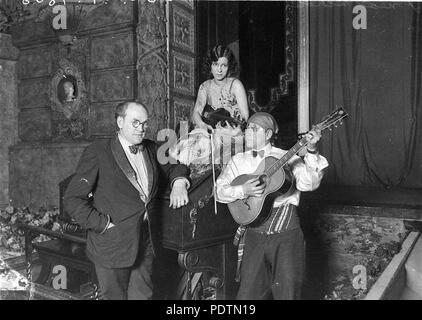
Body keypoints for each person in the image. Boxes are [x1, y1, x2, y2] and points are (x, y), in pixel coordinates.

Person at [63, 101, 191, 300]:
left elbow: (176, 165)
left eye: (145, 123)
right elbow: (72, 199)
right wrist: (103, 224)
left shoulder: (151, 148)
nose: (141, 129)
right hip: (112, 243)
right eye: (136, 123)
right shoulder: (98, 151)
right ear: (120, 121)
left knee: (144, 296)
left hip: (145, 241)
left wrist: (179, 183)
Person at [216, 112, 329, 300]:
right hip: (254, 233)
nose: (247, 132)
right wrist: (243, 190)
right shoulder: (238, 160)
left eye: (254, 129)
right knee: (247, 297)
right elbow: (219, 190)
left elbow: (309, 184)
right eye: (247, 128)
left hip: (286, 232)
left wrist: (311, 150)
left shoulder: (286, 156)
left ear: (268, 134)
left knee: (287, 294)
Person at [192, 44, 249, 133]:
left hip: (233, 131)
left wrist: (237, 130)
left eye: (224, 65)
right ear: (210, 65)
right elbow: (196, 113)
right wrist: (202, 125)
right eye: (215, 64)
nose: (219, 70)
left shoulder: (235, 85)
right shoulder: (205, 86)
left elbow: (245, 115)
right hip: (211, 130)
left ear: (229, 66)